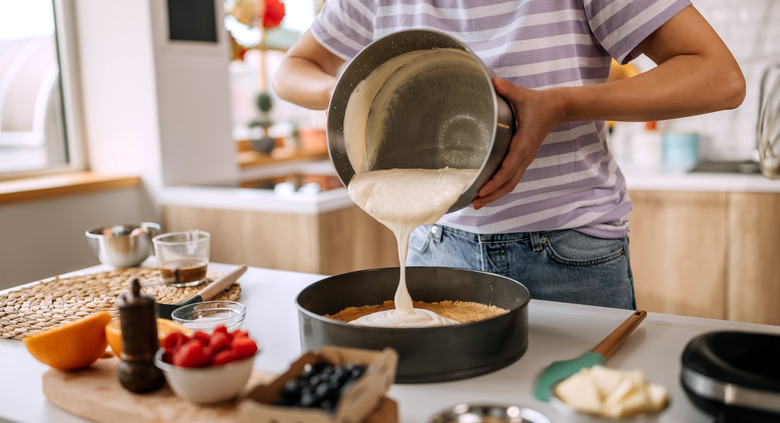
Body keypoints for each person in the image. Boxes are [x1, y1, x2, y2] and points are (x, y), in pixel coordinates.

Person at [272, 0, 745, 309]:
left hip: (567, 254)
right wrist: (345, 91)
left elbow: (719, 76)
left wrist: (562, 105)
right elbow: (291, 69)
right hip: (434, 247)